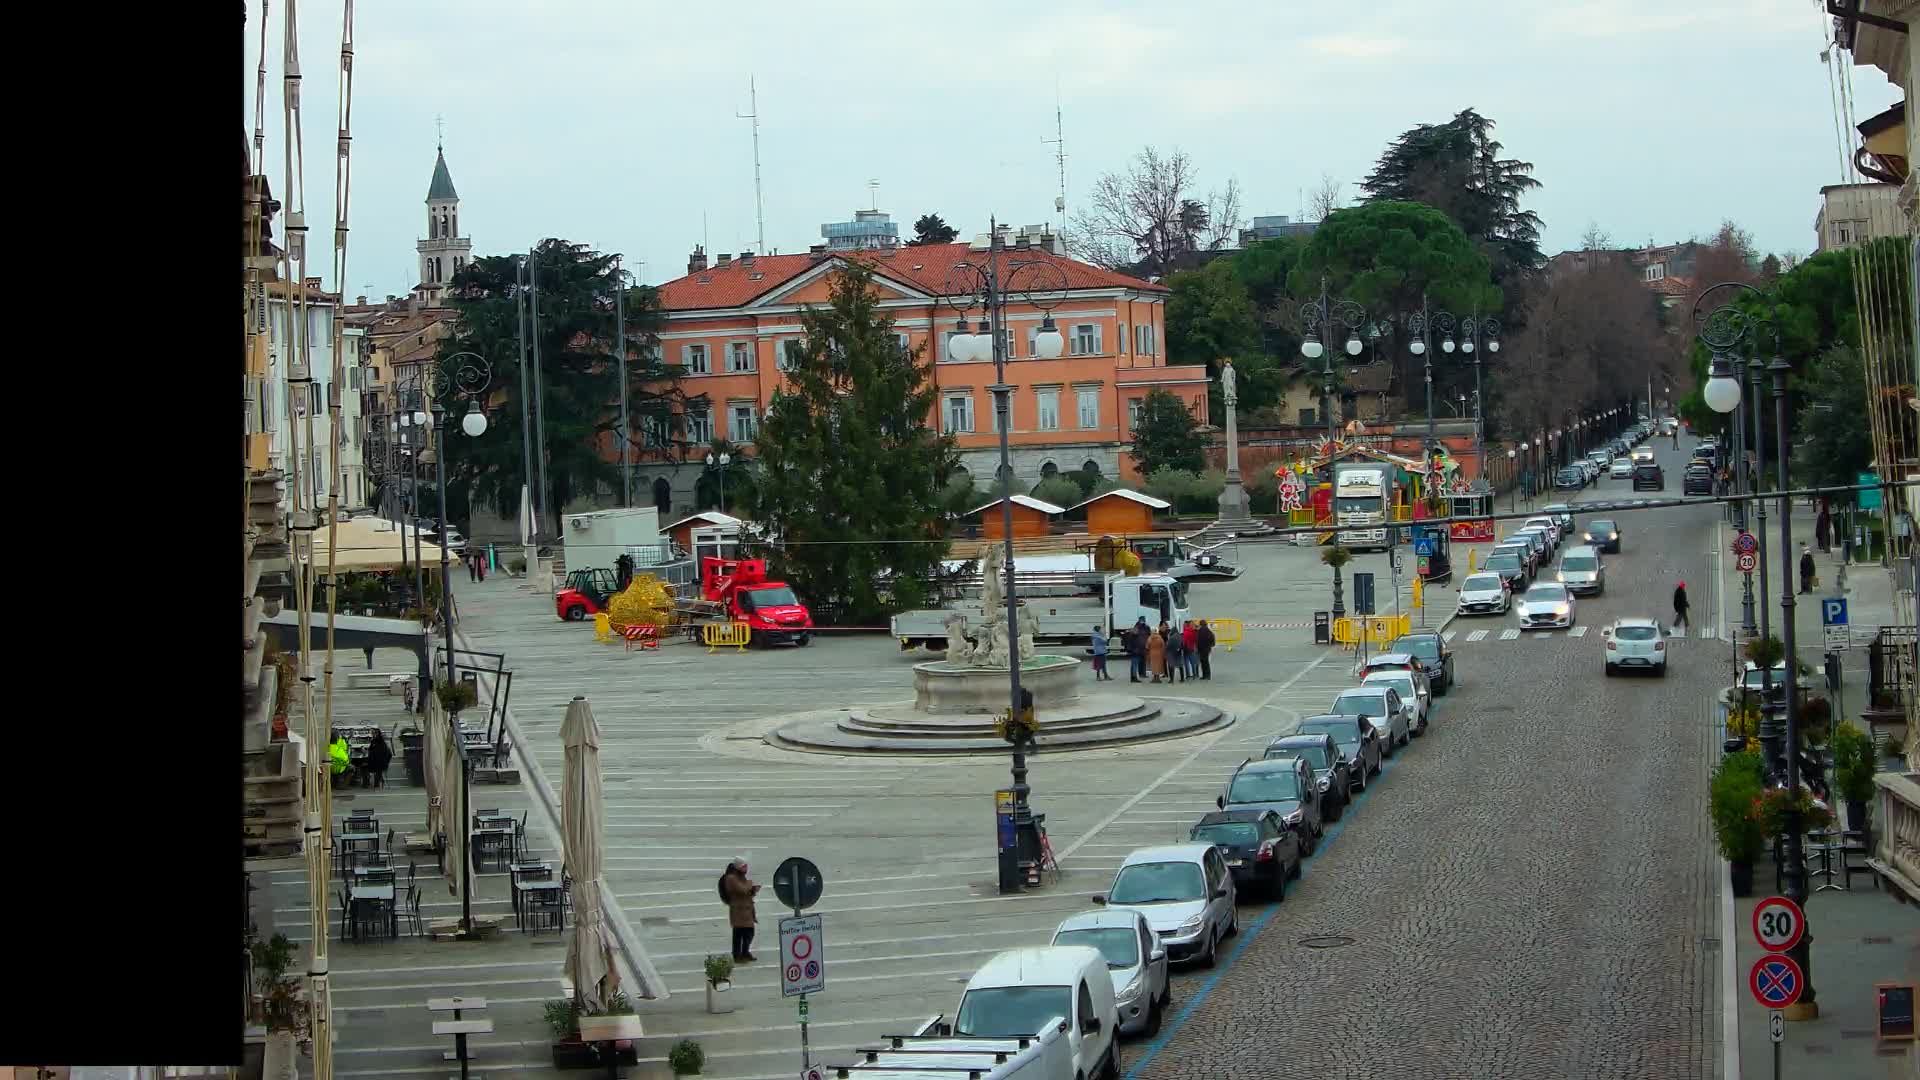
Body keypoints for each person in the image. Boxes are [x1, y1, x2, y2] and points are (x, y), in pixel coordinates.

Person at [719, 858, 760, 962]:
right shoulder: (731, 878)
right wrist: (750, 884)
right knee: (740, 934)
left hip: (746, 910)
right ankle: (738, 955)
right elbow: (742, 889)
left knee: (747, 933)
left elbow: (745, 892)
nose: (746, 868)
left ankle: (744, 953)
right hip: (739, 911)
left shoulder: (740, 877)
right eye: (743, 866)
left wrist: (753, 890)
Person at [1128, 616, 1150, 683]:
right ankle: (1133, 677)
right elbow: (1131, 639)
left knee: (1140, 663)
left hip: (1141, 649)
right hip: (1136, 650)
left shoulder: (1145, 628)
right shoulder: (1136, 628)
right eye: (1142, 620)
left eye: (1143, 620)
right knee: (1134, 664)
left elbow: (1147, 636)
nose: (1143, 622)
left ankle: (1141, 674)